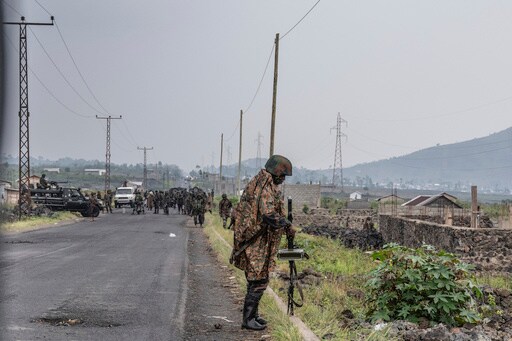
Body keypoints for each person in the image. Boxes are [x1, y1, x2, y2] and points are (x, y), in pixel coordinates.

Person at [230, 154, 295, 331]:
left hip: (255, 239)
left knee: (256, 278)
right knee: (258, 279)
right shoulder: (265, 185)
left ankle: (253, 316)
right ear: (276, 172)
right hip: (255, 240)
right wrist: (286, 224)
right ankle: (248, 319)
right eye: (282, 176)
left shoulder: (262, 181)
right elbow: (267, 214)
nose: (282, 180)